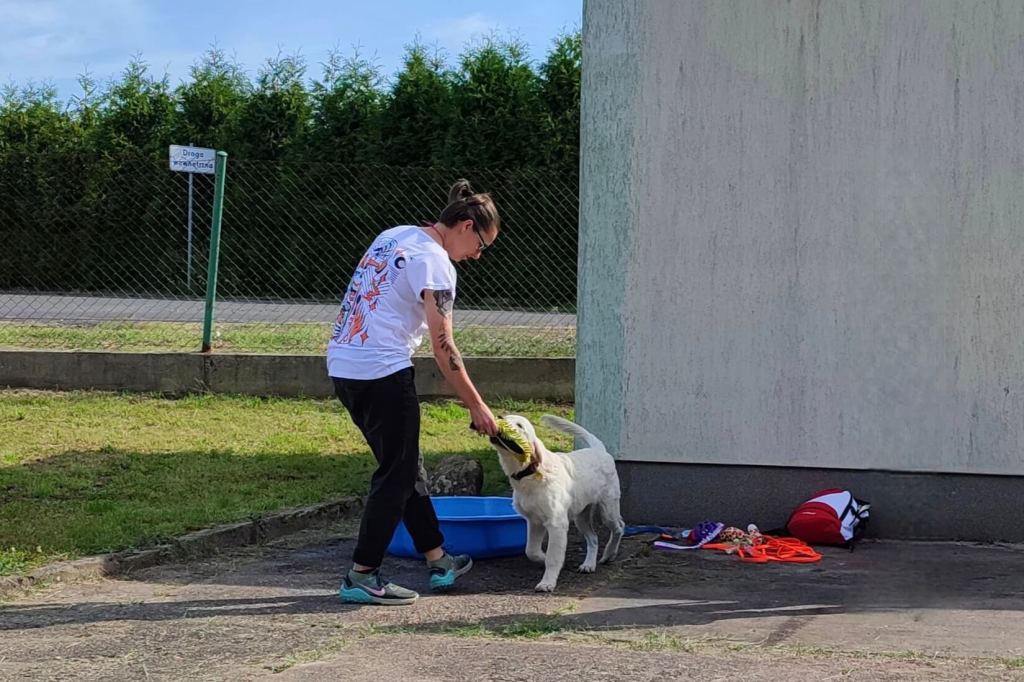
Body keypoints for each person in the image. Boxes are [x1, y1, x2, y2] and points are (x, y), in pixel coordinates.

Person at [327, 179, 501, 605]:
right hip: (382, 370)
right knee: (397, 474)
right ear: (463, 225)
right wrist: (477, 406)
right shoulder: (437, 264)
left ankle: (437, 557)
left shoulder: (395, 235)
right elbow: (445, 349)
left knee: (404, 466)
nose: (477, 255)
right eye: (480, 245)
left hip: (344, 363)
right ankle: (362, 574)